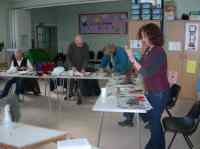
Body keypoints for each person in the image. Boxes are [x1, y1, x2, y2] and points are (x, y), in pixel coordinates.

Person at [129, 23, 170, 149]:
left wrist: (132, 59)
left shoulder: (158, 51)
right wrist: (135, 60)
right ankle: (154, 145)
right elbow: (141, 66)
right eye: (142, 36)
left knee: (154, 122)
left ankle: (156, 146)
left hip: (159, 91)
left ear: (152, 36)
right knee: (152, 120)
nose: (142, 39)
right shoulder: (148, 50)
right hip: (151, 90)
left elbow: (146, 72)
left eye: (144, 36)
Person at [67, 35, 90, 104]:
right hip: (72, 66)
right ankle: (70, 94)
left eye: (81, 43)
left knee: (80, 81)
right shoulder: (71, 46)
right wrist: (71, 66)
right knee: (71, 80)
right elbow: (68, 57)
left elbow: (86, 58)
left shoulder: (86, 46)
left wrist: (83, 67)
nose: (80, 45)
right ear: (75, 42)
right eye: (78, 44)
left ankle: (79, 97)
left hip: (81, 66)